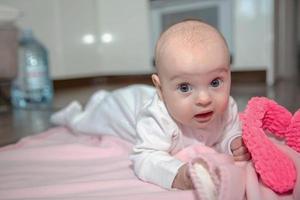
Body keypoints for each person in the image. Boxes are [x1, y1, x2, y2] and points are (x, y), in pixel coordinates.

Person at [51, 19, 250, 190]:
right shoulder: (157, 117)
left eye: (215, 82)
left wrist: (233, 143)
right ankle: (72, 113)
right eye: (184, 87)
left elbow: (227, 132)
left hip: (145, 96)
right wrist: (177, 174)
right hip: (123, 107)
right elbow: (144, 158)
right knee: (86, 120)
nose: (204, 98)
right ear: (160, 88)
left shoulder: (227, 108)